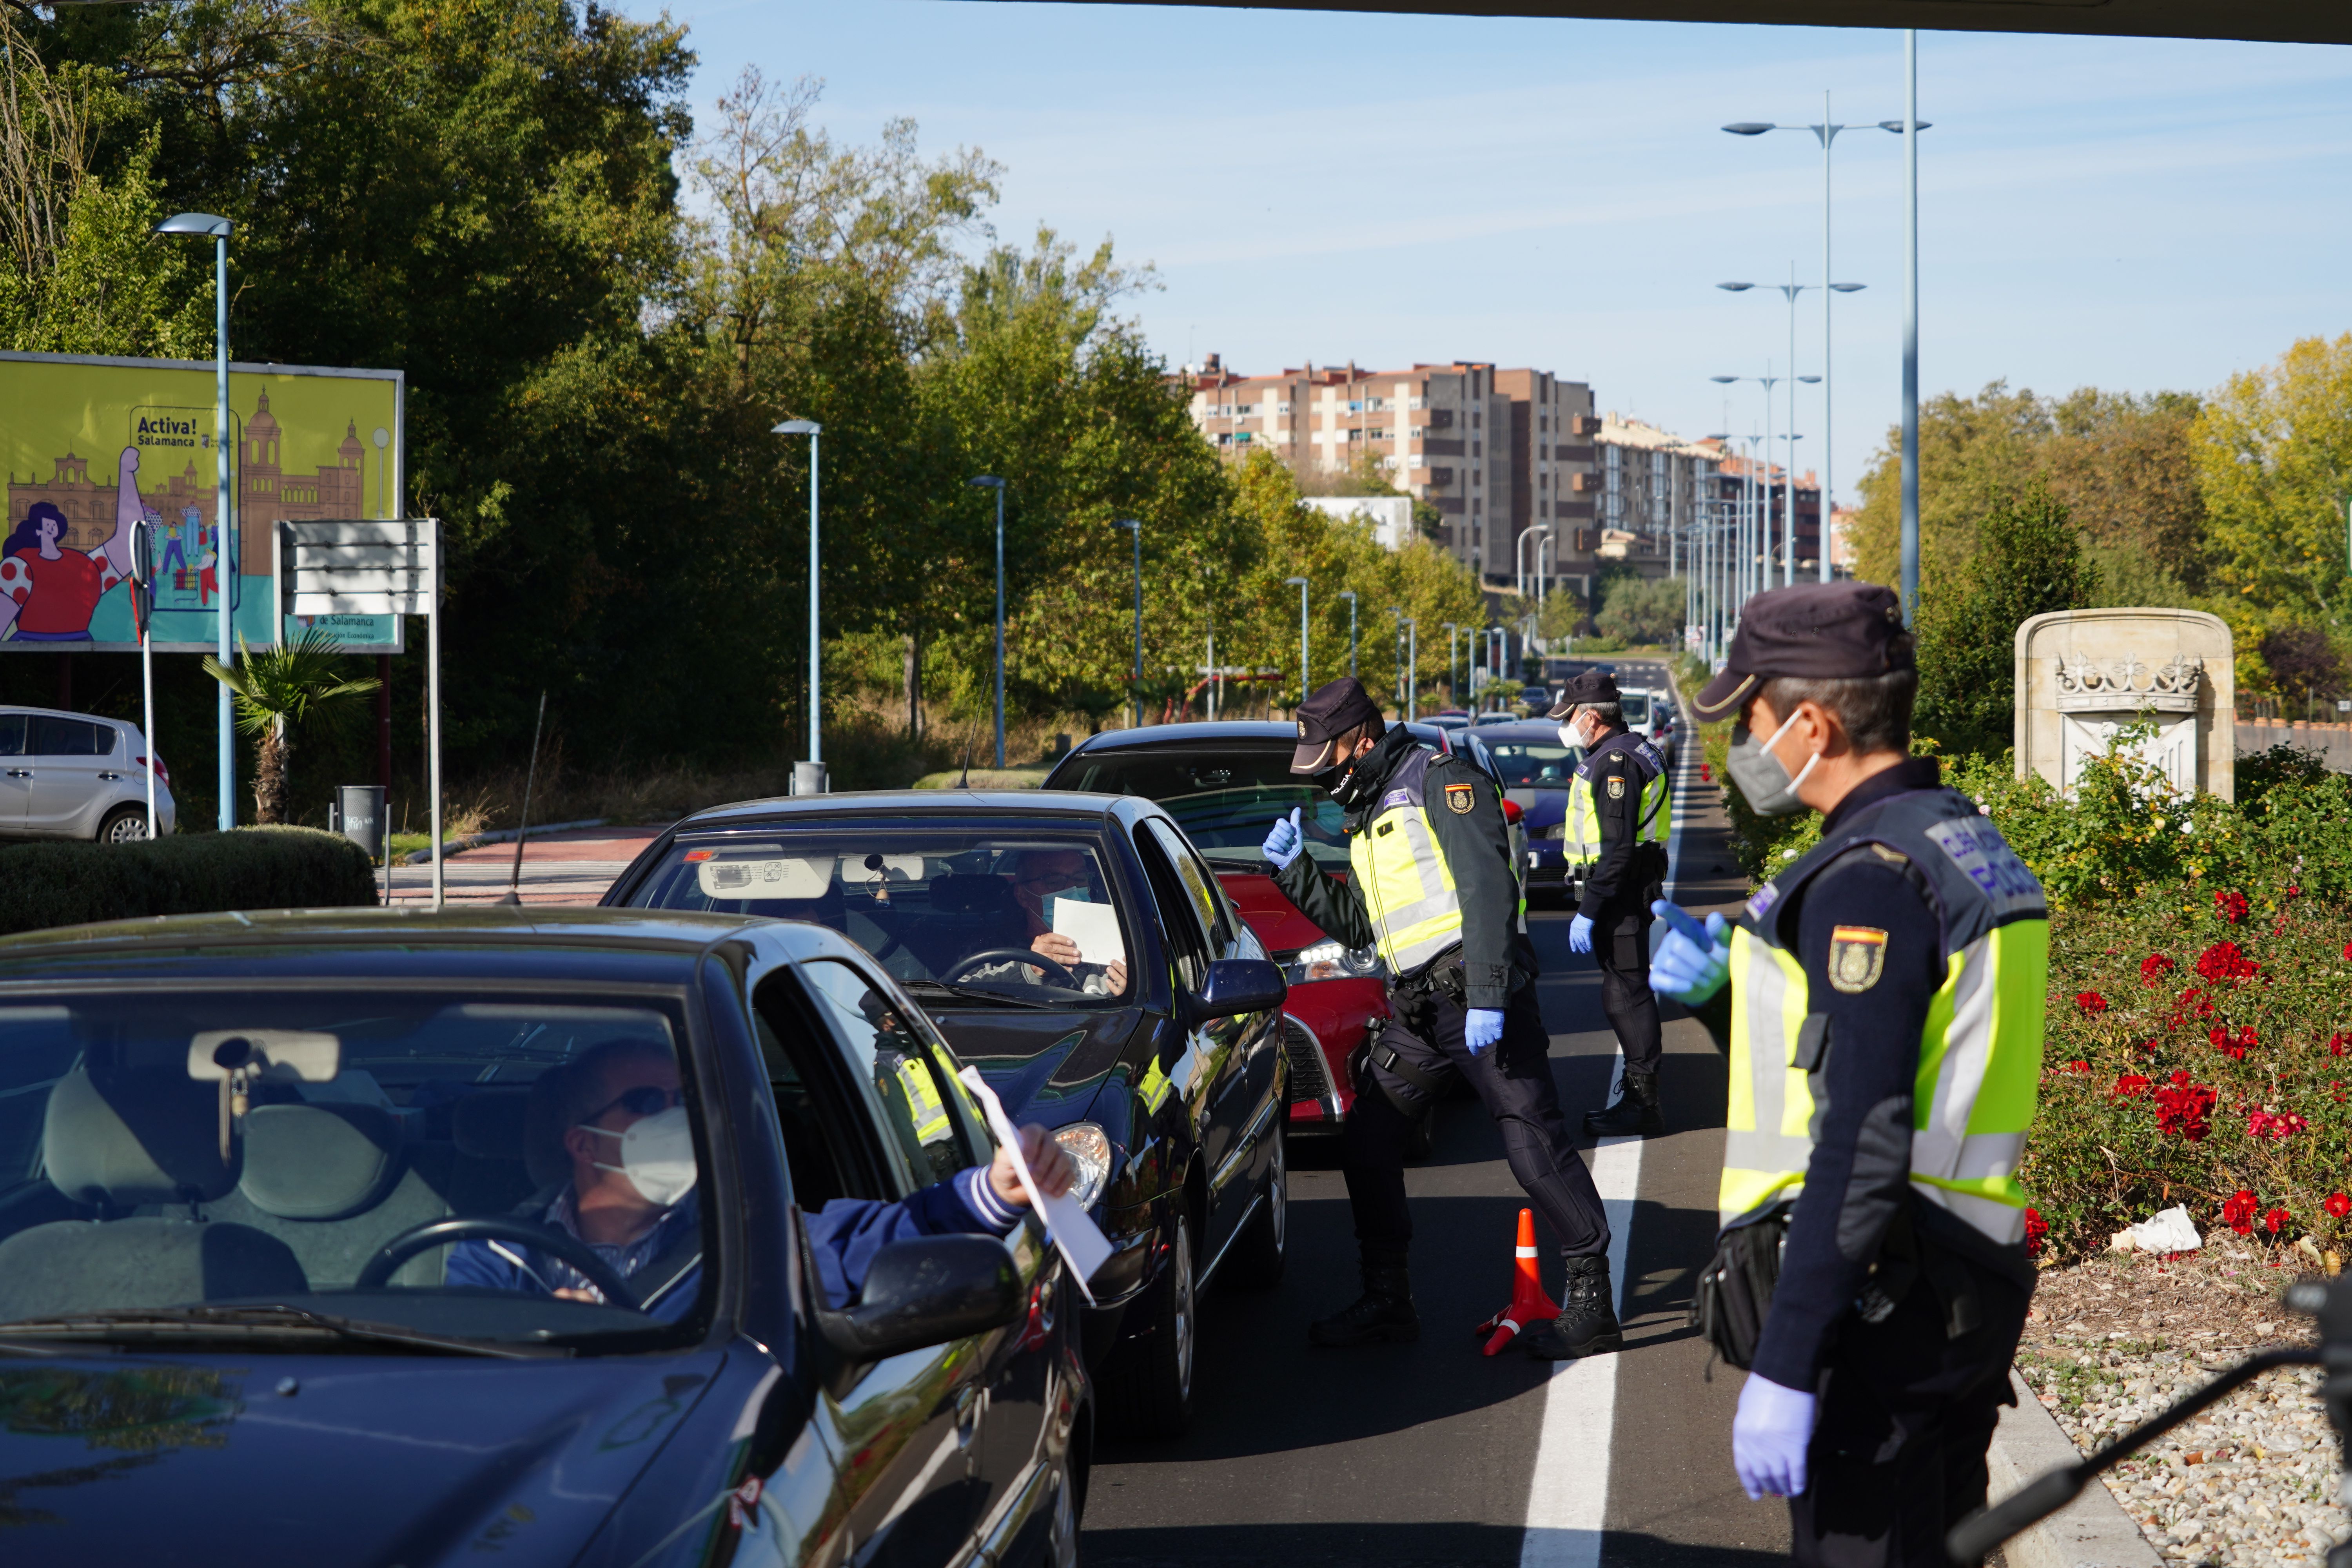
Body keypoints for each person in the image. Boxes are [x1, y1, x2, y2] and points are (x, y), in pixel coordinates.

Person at [1648, 582, 2045, 1567]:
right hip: (1962, 1278)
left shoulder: (1867, 877)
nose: (1742, 739)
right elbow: (1876, 1053)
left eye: (1751, 717)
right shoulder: (1955, 838)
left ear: (1812, 724)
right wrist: (1721, 1000)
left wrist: (1786, 1362)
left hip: (1885, 1309)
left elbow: (1862, 1130)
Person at [1262, 676, 1620, 1358]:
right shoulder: (1369, 812)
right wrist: (1297, 872)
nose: (1325, 779)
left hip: (1478, 998)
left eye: (1328, 761)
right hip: (1419, 1009)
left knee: (1531, 1144)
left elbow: (1489, 887)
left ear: (1359, 740)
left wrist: (1489, 994)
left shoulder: (1439, 779)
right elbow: (1364, 927)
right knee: (1368, 1141)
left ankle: (1592, 1297)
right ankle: (1388, 1300)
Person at [448, 1038, 1076, 1319]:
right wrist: (536, 1330)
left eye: (685, 1100)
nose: (674, 1118)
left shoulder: (747, 1240)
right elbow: (452, 1372)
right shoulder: (491, 1255)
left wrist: (996, 1190)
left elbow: (877, 1240)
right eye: (646, 1102)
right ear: (583, 1142)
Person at [1549, 669, 1672, 1136]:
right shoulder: (1633, 748)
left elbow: (1618, 846)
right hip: (1626, 887)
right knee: (1625, 991)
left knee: (1626, 995)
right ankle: (1643, 1096)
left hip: (1618, 892)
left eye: (1570, 716)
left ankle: (1644, 1104)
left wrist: (1589, 908)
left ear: (1592, 717)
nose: (1566, 725)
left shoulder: (1615, 762)